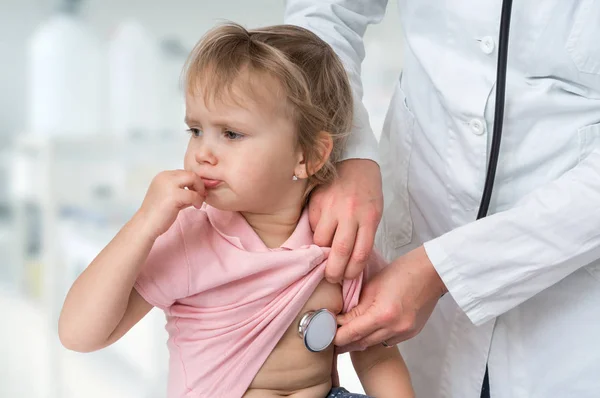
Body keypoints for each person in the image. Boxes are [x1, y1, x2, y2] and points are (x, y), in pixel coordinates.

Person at [57, 23, 415, 398]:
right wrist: (144, 224)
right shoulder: (190, 238)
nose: (203, 153)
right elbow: (79, 334)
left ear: (308, 155)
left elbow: (376, 356)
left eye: (231, 134)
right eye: (195, 130)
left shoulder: (338, 238)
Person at [284, 1, 600, 397]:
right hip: (420, 213)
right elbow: (325, 15)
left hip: (575, 297)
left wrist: (445, 270)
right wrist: (348, 151)